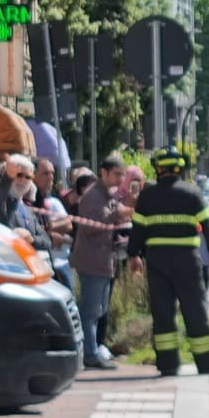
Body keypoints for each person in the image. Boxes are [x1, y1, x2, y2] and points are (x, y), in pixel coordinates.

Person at [128, 148, 209, 376]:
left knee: (163, 313)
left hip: (157, 261)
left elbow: (138, 229)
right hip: (187, 261)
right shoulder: (192, 193)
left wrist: (134, 255)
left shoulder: (147, 196)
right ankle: (207, 364)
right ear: (180, 168)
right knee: (195, 310)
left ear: (158, 168)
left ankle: (168, 365)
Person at [72, 157, 128, 369]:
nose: (120, 178)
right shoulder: (93, 196)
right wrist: (117, 215)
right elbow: (91, 227)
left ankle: (91, 350)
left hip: (103, 261)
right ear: (103, 173)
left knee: (99, 308)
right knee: (90, 309)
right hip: (92, 261)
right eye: (116, 173)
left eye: (122, 174)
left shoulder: (107, 195)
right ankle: (89, 354)